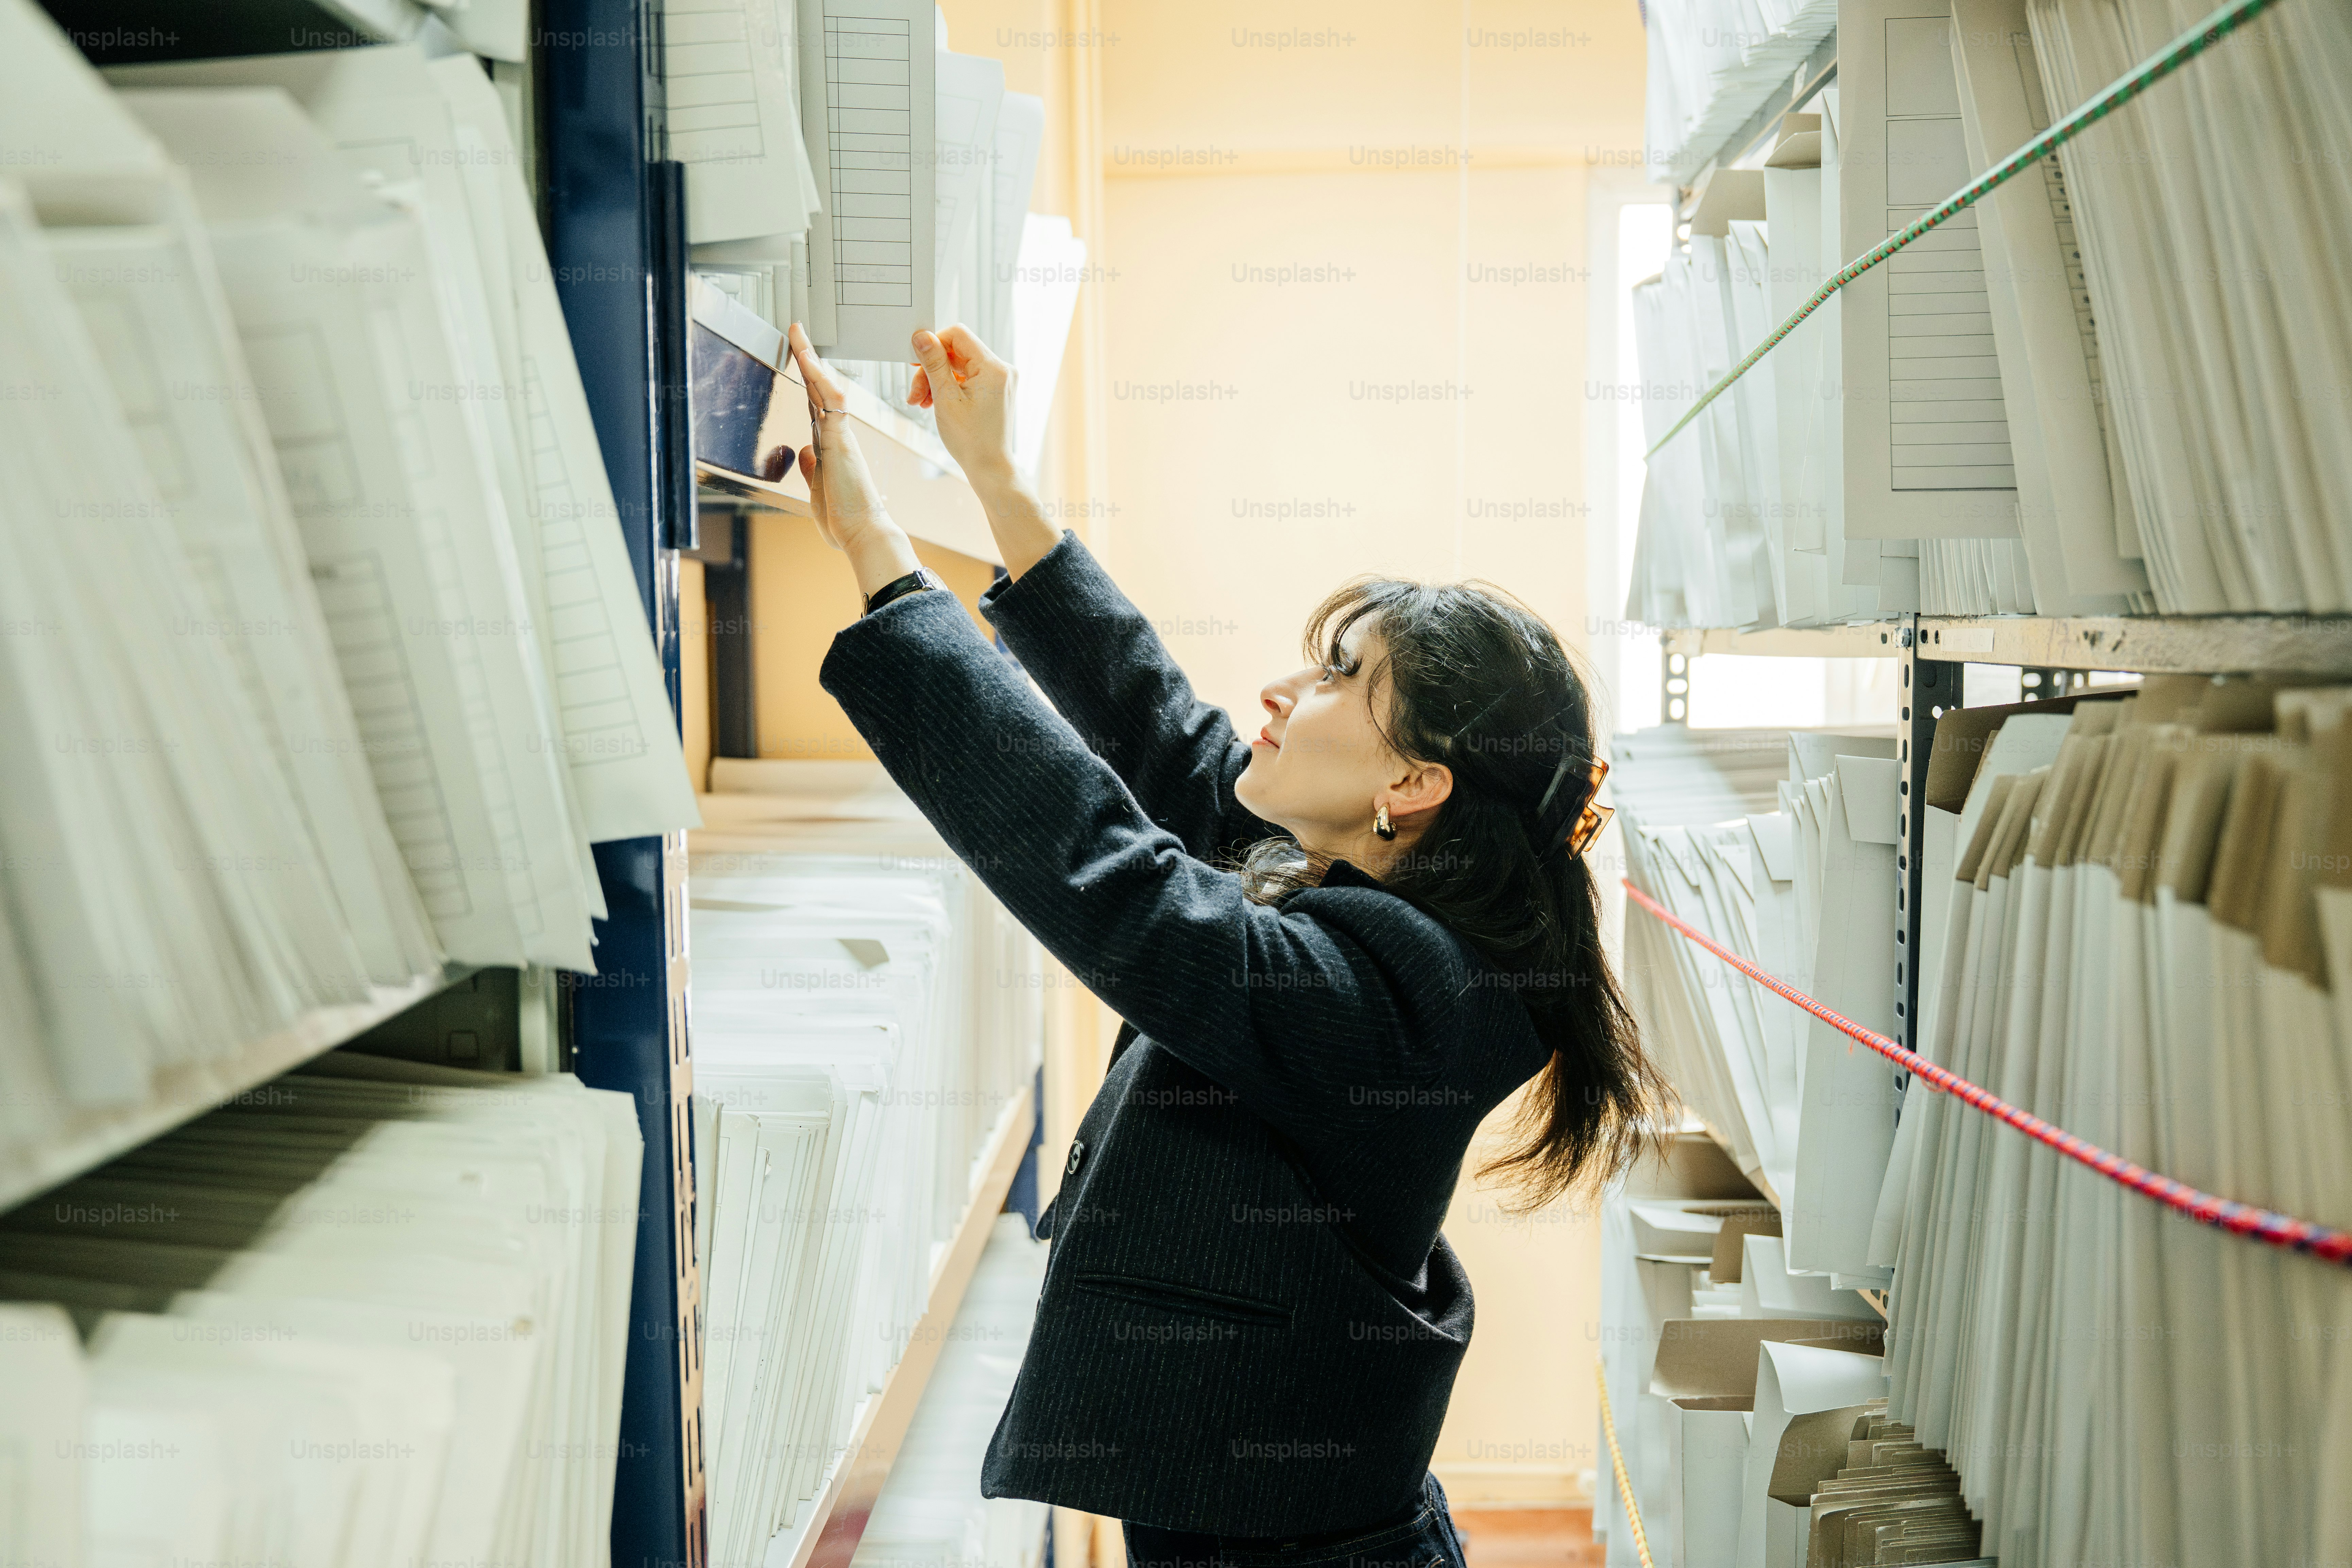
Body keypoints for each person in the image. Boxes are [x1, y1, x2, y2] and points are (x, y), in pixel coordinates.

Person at [784, 320, 1671, 1568]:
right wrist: (994, 476)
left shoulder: (1397, 999)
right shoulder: (1369, 895)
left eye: (1330, 678)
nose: (1277, 692)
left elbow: (1115, 879)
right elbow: (1168, 739)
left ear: (1412, 782)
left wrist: (880, 554)